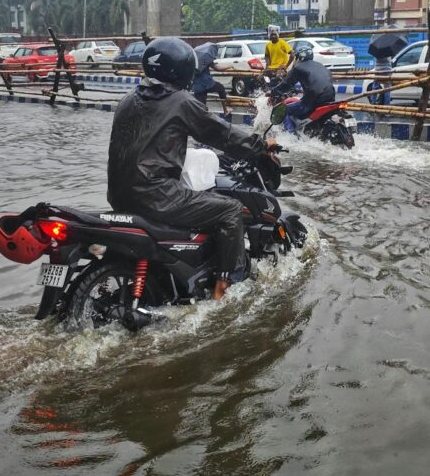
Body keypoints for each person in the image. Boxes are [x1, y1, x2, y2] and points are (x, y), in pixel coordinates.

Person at [107, 37, 272, 302]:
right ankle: (225, 286)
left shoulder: (128, 100)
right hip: (156, 196)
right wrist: (260, 146)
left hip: (119, 195)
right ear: (181, 69)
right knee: (230, 210)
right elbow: (221, 134)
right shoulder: (181, 101)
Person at [271, 46, 336, 134]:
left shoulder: (298, 67)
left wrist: (274, 92)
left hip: (313, 100)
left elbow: (286, 84)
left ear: (298, 57)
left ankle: (291, 136)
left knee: (283, 111)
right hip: (330, 98)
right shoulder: (321, 66)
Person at [190, 42, 230, 115]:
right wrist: (229, 66)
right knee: (221, 88)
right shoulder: (207, 58)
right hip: (207, 84)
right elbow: (218, 68)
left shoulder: (193, 59)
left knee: (201, 106)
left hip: (197, 86)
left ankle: (200, 118)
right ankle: (225, 110)